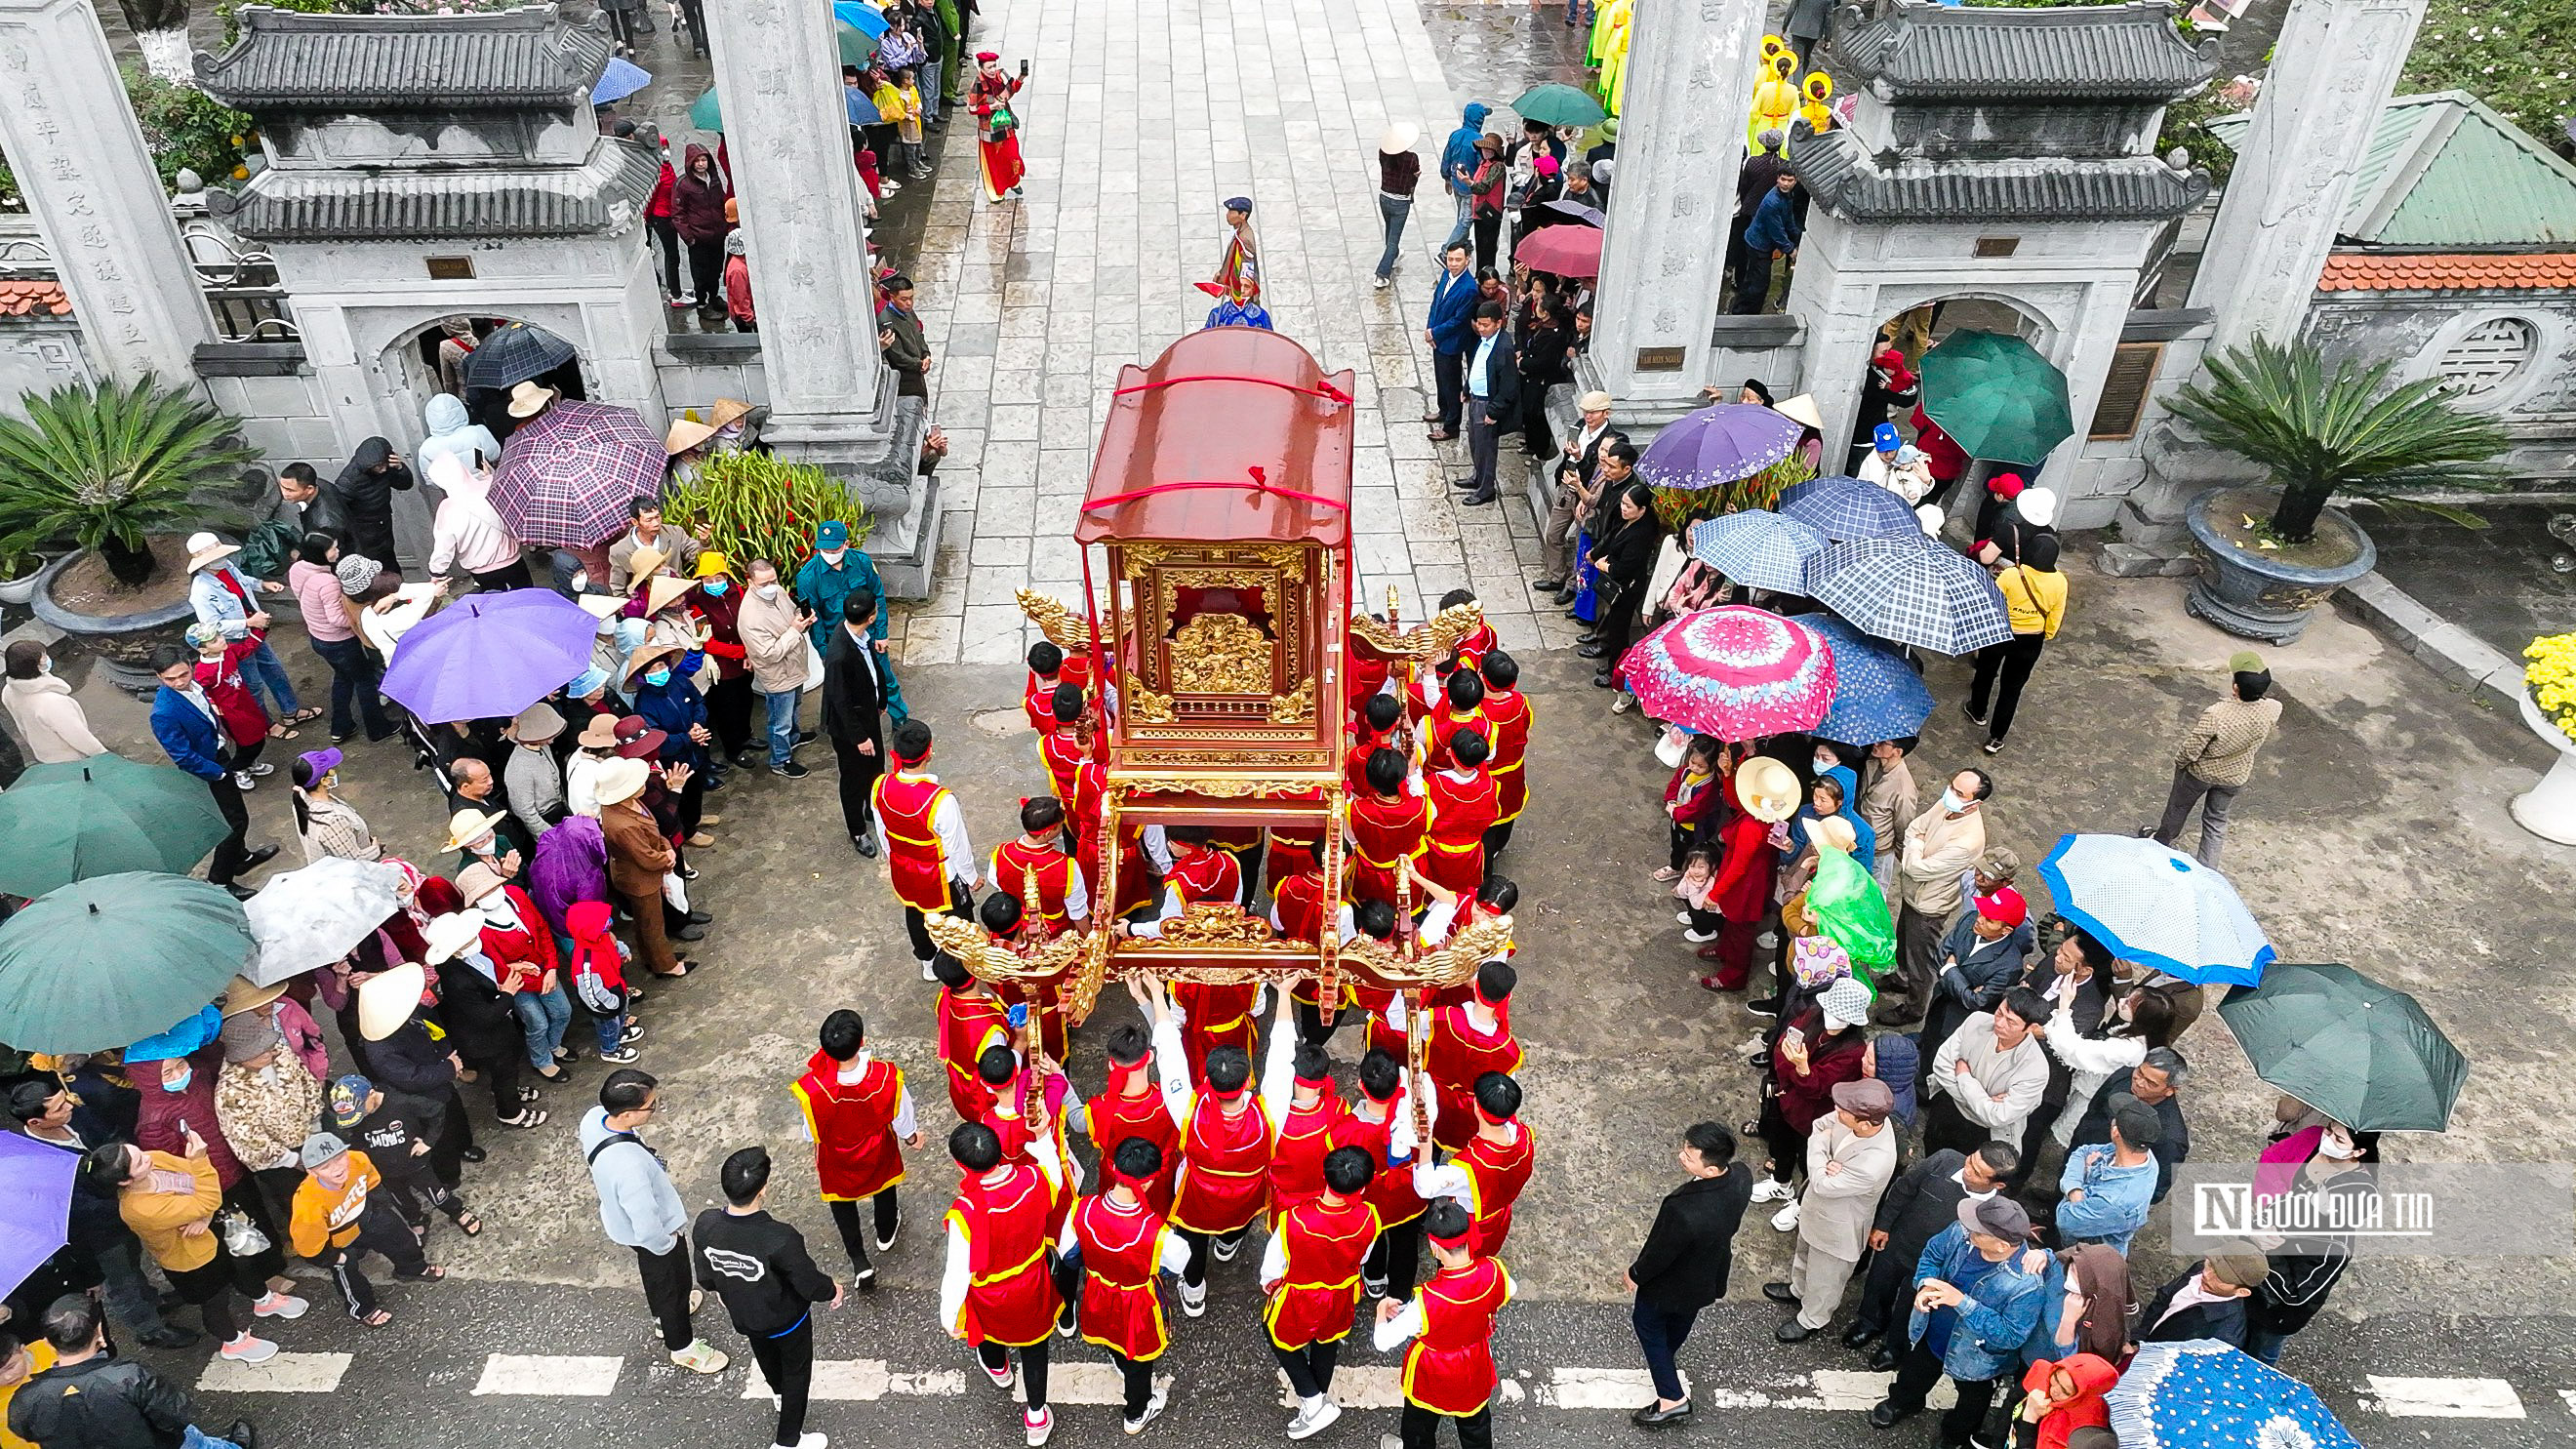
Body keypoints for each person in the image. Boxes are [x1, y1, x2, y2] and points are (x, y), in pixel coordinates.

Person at [85, 1133, 291, 1366]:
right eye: (140, 1162)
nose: (148, 1158)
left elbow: (201, 1190)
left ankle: (263, 1300)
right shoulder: (141, 1209)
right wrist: (201, 1165)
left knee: (241, 1266)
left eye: (138, 1152)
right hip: (192, 1261)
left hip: (209, 1235)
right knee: (215, 1302)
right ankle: (233, 1342)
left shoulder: (154, 1159)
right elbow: (206, 1191)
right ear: (125, 1181)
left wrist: (203, 1215)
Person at [582, 1070, 729, 1375]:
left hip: (622, 1223)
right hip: (657, 1235)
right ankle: (682, 1345)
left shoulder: (594, 1119)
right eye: (651, 1106)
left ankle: (662, 1317)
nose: (654, 1110)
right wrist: (668, 1241)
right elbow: (648, 1226)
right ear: (627, 1113)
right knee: (671, 1284)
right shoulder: (630, 1168)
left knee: (655, 1276)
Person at [1868, 1196, 2049, 1439]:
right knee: (1913, 1375)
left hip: (1977, 1360)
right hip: (1930, 1334)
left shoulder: (2027, 1285)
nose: (1968, 1229)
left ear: (2002, 1246)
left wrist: (1961, 1302)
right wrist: (1925, 1285)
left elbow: (2011, 1335)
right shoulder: (1962, 1230)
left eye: (1979, 1231)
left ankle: (1954, 1436)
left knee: (1971, 1404)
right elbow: (1932, 1254)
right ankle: (1903, 1402)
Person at [695, 1147, 841, 1449]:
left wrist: (722, 1291)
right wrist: (832, 1289)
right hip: (786, 1319)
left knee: (764, 1351)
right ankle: (788, 1440)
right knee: (797, 1372)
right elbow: (807, 1282)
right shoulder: (780, 1237)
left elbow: (706, 1275)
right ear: (763, 1190)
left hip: (744, 1315)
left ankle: (777, 1392)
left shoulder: (706, 1224)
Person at [940, 1120, 1064, 1446]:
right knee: (1035, 1346)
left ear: (960, 1164)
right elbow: (1054, 1171)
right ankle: (1036, 1415)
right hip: (1031, 1283)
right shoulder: (1035, 1180)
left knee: (987, 1330)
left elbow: (957, 1273)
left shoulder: (964, 1212)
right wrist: (1042, 1138)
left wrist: (949, 1315)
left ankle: (998, 1368)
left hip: (989, 1293)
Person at [1622, 1122, 1751, 1429]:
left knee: (1647, 1325)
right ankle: (1666, 1359)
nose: (1681, 1156)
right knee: (1680, 1321)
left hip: (1670, 1284)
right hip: (1708, 1274)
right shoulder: (1742, 1177)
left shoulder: (1684, 1211)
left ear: (1708, 1170)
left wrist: (1635, 1274)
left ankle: (1672, 1400)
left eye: (1689, 1156)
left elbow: (1660, 1253)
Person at [1844, 1142, 2016, 1367]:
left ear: (1998, 1184)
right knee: (1878, 1284)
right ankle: (1869, 1323)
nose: (1967, 1169)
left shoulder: (1997, 1210)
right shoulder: (1944, 1158)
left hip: (1935, 1266)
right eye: (1971, 1160)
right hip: (1899, 1241)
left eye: (1977, 1172)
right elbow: (1903, 1189)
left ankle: (1895, 1347)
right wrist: (1883, 1225)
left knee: (1911, 1306)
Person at [7, 1295, 258, 1449]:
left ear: (49, 1344)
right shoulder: (129, 1376)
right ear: (100, 1334)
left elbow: (24, 1431)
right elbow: (175, 1414)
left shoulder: (25, 1398)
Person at [792, 1010, 919, 1288]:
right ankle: (885, 1234)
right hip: (877, 1150)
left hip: (836, 1157)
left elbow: (809, 1132)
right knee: (884, 1187)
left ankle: (859, 1260)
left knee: (842, 1202)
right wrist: (911, 1138)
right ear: (862, 1041)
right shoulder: (887, 1077)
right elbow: (902, 1117)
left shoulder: (813, 1088)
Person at [1259, 1145, 1378, 1439]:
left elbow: (1272, 1270)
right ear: (1362, 1187)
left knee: (1277, 1335)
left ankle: (1313, 1402)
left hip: (1300, 1297)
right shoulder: (1369, 1218)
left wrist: (1270, 1284)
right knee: (1327, 1340)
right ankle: (1317, 1399)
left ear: (1325, 1177)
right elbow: (1362, 1259)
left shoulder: (1293, 1220)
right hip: (1341, 1295)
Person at [1373, 1199, 1511, 1449]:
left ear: (1434, 1247)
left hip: (1433, 1372)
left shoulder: (1425, 1301)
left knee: (1419, 1425)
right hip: (1473, 1365)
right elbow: (1509, 1289)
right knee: (1476, 1424)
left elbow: (1383, 1342)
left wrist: (1382, 1312)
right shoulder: (1494, 1272)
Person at [1770, 1078, 1897, 1343]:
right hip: (1817, 1212)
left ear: (1865, 1123)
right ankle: (1798, 1289)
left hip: (1840, 1228)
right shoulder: (1857, 1120)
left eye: (1843, 1112)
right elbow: (1819, 1125)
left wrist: (1820, 1152)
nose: (1836, 1113)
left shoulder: (1875, 1161)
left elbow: (1822, 1183)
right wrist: (1825, 1161)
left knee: (1825, 1279)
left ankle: (1812, 1318)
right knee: (1804, 1254)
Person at [148, 648, 276, 897]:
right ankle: (220, 880)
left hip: (218, 755)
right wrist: (218, 773)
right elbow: (182, 756)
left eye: (183, 675)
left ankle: (241, 858)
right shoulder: (164, 712)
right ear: (159, 678)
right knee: (235, 822)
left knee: (233, 817)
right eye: (170, 679)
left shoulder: (195, 688)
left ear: (190, 665)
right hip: (208, 769)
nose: (179, 682)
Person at [2242, 1122, 2371, 1365]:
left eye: (2339, 1139)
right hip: (2250, 1291)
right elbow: (2273, 1160)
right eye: (2330, 1131)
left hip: (2275, 1314)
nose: (2328, 1138)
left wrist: (2267, 1247)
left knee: (2261, 1355)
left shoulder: (2334, 1248)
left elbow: (2294, 1294)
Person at [288, 1131, 438, 1327]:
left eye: (340, 1157)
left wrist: (379, 1207)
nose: (337, 1168)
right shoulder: (307, 1202)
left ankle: (412, 1268)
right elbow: (307, 1245)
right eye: (325, 1166)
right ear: (311, 1172)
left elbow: (372, 1181)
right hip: (337, 1238)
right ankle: (363, 1308)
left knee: (399, 1235)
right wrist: (333, 1258)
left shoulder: (357, 1159)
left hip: (366, 1213)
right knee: (347, 1271)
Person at [2149, 653, 2280, 866]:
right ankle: (2207, 870)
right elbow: (2265, 705)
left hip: (2200, 774)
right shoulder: (2274, 708)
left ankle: (2160, 844)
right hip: (2235, 777)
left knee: (2178, 809)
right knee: (2216, 821)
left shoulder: (2217, 714)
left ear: (2235, 688)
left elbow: (2191, 749)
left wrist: (2180, 764)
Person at [872, 719, 980, 978]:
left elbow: (882, 831)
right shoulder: (940, 799)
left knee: (915, 911)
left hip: (904, 866)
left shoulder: (881, 786)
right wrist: (971, 877)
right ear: (929, 751)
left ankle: (928, 962)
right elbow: (957, 846)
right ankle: (962, 967)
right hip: (941, 874)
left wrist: (893, 857)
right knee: (959, 918)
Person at [1882, 769, 1992, 1024]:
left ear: (1976, 803)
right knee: (1904, 940)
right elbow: (1914, 827)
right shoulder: (1945, 805)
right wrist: (1916, 844)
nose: (1950, 794)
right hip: (1913, 893)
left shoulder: (1969, 840)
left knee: (1921, 958)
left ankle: (1915, 1007)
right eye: (1951, 786)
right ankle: (1901, 977)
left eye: (1959, 793)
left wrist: (1916, 846)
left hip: (1930, 905)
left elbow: (1917, 868)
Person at [183, 533, 308, 728]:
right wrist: (248, 622)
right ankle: (266, 724)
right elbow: (213, 627)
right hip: (235, 642)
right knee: (253, 686)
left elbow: (243, 580)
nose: (222, 559)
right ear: (205, 563)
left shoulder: (227, 568)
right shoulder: (201, 592)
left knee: (275, 670)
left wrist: (262, 584)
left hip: (254, 632)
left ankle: (291, 710)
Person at [1964, 535, 2067, 756]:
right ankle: (1997, 737)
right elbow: (2056, 614)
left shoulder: (2011, 575)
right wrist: (2045, 634)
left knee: (1985, 672)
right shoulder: (2060, 582)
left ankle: (1978, 711)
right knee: (2012, 689)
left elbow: (1992, 602)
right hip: (2031, 639)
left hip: (2000, 632)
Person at [1923, 991, 2053, 1157]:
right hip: (1948, 1106)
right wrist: (1984, 1102)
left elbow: (1997, 1117)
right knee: (1932, 1152)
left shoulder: (2035, 1069)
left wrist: (1964, 1077)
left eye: (2011, 1022)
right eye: (1999, 1013)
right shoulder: (1976, 1020)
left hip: (1985, 1131)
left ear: (2032, 1028)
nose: (1999, 1023)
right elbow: (1941, 1065)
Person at [596, 757, 692, 980]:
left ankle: (655, 956)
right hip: (639, 879)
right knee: (652, 925)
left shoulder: (625, 805)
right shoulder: (623, 825)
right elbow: (645, 857)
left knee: (645, 922)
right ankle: (665, 965)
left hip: (640, 873)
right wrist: (666, 857)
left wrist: (664, 846)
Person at [1909, 886, 2035, 1048]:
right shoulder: (1969, 919)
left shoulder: (2010, 966)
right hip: (1941, 996)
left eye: (1989, 920)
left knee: (1942, 1048)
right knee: (1931, 1027)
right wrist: (1967, 988)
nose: (1980, 919)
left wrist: (1951, 969)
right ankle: (1923, 1040)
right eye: (1982, 911)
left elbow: (1977, 1001)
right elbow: (1940, 956)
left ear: (2006, 930)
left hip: (1959, 1019)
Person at [2065, 1049, 2192, 1201]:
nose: (2139, 1082)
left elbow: (2156, 1189)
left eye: (2150, 1083)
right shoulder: (2124, 1076)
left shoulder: (2171, 1137)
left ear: (2170, 1090)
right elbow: (2094, 1108)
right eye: (2139, 1073)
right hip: (2081, 1151)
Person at [1536, 391, 1621, 598]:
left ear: (1605, 413)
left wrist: (1580, 457)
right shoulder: (1580, 426)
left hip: (1587, 493)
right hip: (1567, 487)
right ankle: (1557, 576)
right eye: (1586, 411)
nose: (1588, 416)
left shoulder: (1612, 440)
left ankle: (1573, 585)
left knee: (1579, 541)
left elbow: (1602, 471)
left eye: (1593, 412)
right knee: (1553, 533)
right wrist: (1568, 455)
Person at [738, 557, 815, 778]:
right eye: (764, 583)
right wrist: (795, 630)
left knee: (795, 705)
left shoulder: (777, 592)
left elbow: (792, 614)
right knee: (779, 720)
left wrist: (803, 619)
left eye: (773, 580)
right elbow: (769, 653)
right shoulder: (750, 617)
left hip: (794, 666)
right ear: (750, 582)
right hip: (777, 674)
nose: (771, 586)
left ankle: (794, 737)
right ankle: (780, 760)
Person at [2053, 1098, 2160, 1252]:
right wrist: (2076, 1192)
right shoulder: (2141, 1155)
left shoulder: (2116, 1201)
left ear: (2116, 1132)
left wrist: (2083, 1176)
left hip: (2087, 1256)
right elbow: (2082, 1152)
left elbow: (2065, 1218)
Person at [1582, 482, 1661, 688]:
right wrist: (1597, 553)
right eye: (1623, 503)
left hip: (1627, 587)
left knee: (1619, 630)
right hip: (1616, 579)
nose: (1623, 508)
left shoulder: (1642, 533)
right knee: (1610, 621)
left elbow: (1625, 568)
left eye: (1628, 506)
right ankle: (1608, 654)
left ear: (1642, 510)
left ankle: (1615, 670)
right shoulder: (1626, 519)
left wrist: (1604, 565)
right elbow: (1612, 536)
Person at [1448, 302, 1520, 507]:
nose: (1481, 328)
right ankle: (1478, 477)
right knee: (1474, 441)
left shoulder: (1504, 348)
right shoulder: (1484, 340)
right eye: (1478, 324)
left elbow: (1509, 386)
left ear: (1498, 323)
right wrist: (1467, 388)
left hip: (1488, 405)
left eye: (1485, 325)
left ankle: (1486, 489)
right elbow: (1478, 367)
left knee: (1486, 447)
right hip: (1475, 398)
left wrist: (1494, 411)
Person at [422, 454, 527, 593]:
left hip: (482, 572)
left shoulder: (447, 509)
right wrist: (488, 474)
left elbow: (443, 546)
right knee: (529, 601)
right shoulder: (492, 486)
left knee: (498, 608)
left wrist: (437, 573)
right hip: (514, 562)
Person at [2137, 1248, 2272, 1348]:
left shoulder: (2224, 1338)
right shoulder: (2201, 1268)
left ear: (2242, 1292)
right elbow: (2163, 1298)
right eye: (2211, 1264)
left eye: (2220, 1277)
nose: (2206, 1274)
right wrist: (2139, 1337)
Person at [1, 640, 106, 762]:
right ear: (35, 666)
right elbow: (77, 736)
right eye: (44, 657)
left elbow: (22, 726)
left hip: (43, 752)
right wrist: (102, 754)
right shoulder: (53, 703)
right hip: (70, 758)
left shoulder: (8, 691)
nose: (47, 659)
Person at [327, 438, 414, 569]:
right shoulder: (349, 479)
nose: (383, 469)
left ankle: (395, 583)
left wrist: (400, 468)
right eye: (378, 467)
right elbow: (338, 510)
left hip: (383, 523)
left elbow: (404, 485)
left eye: (385, 464)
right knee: (374, 565)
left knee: (389, 559)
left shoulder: (387, 468)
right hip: (363, 531)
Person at [1424, 243, 1479, 441]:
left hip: (1452, 341)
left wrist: (1436, 333)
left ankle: (1451, 426)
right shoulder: (1447, 275)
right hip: (1438, 337)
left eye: (1458, 259)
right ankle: (1443, 410)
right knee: (1441, 378)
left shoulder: (1469, 288)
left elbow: (1459, 320)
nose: (1453, 263)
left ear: (1467, 260)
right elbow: (1436, 301)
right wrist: (1430, 329)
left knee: (1452, 384)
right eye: (1450, 259)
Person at [670, 144, 731, 310]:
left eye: (703, 160)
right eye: (696, 161)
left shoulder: (714, 179)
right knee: (700, 273)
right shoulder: (683, 185)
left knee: (716, 269)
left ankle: (714, 296)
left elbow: (721, 201)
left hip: (717, 235)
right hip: (698, 239)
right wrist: (689, 238)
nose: (700, 164)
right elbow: (678, 214)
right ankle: (702, 303)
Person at [1732, 169, 1800, 314]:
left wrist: (1796, 235)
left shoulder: (1786, 195)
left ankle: (1740, 309)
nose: (1786, 184)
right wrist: (1791, 250)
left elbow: (1788, 219)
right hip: (1758, 245)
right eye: (1783, 179)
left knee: (1752, 280)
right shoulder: (1773, 202)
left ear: (1796, 181)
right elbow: (1776, 231)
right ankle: (1746, 314)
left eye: (1790, 180)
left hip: (1759, 241)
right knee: (1759, 285)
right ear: (1777, 179)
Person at [966, 53, 1028, 201]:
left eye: (994, 65)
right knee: (994, 162)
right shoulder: (977, 85)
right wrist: (992, 106)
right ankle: (996, 191)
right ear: (981, 68)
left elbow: (1010, 90)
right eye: (989, 67)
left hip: (1006, 124)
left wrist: (1021, 78)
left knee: (1012, 154)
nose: (993, 70)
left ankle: (1013, 182)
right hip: (989, 129)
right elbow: (972, 109)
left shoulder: (1002, 75)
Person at [1201, 197, 1271, 329]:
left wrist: (1241, 283)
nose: (1228, 215)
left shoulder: (1245, 237)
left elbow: (1247, 263)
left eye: (1231, 212)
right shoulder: (1239, 232)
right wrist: (1222, 274)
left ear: (1243, 215)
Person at [608, 499, 703, 592]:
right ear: (635, 522)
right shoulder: (620, 551)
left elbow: (698, 557)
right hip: (647, 605)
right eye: (649, 520)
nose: (656, 523)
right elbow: (618, 588)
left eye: (657, 517)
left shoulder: (675, 534)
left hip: (678, 596)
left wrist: (705, 541)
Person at [1437, 102, 1491, 253]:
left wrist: (1446, 177)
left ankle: (1463, 244)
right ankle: (1446, 251)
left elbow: (1446, 157)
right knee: (1466, 220)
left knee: (1461, 214)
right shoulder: (1479, 140)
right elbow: (1482, 164)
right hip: (1469, 185)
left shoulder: (1455, 134)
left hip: (1456, 181)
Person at [1376, 123, 1421, 289]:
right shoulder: (1412, 158)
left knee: (1390, 229)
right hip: (1401, 202)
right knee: (1394, 238)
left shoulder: (1383, 154)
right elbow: (1412, 179)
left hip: (1384, 197)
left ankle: (1393, 255)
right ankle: (1382, 273)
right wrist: (1415, 177)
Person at [879, 275, 932, 400]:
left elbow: (918, 334)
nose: (909, 303)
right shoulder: (886, 322)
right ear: (892, 297)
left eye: (911, 298)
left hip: (917, 370)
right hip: (905, 380)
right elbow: (897, 356)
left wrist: (926, 354)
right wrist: (919, 364)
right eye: (903, 299)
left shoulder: (907, 310)